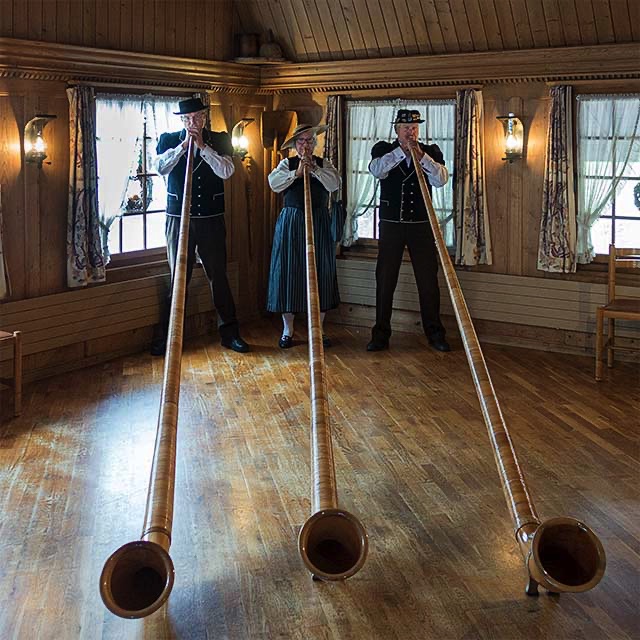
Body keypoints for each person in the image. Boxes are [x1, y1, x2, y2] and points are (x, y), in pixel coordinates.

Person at [151, 97, 249, 355]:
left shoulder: (219, 139)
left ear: (205, 118)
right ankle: (170, 338)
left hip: (210, 219)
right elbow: (160, 168)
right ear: (182, 121)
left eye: (196, 117)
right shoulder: (168, 140)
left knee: (218, 277)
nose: (192, 122)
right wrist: (184, 146)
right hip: (177, 219)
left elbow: (226, 171)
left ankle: (230, 333)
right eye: (187, 119)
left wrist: (203, 147)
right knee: (178, 279)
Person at [367, 109, 450, 353]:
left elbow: (441, 180)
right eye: (405, 128)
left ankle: (435, 334)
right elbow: (377, 170)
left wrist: (420, 155)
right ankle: (380, 335)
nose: (410, 131)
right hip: (391, 225)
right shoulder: (383, 149)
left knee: (428, 281)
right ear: (397, 130)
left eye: (414, 127)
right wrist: (401, 151)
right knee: (385, 280)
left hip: (421, 226)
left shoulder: (431, 151)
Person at [267, 124, 341, 349]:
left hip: (318, 221)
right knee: (288, 272)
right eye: (301, 141)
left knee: (321, 271)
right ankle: (288, 330)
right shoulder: (286, 164)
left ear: (315, 143)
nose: (305, 145)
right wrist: (297, 173)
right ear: (295, 145)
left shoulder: (324, 164)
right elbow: (274, 184)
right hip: (292, 221)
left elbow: (334, 184)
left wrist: (314, 169)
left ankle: (318, 329)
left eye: (309, 141)